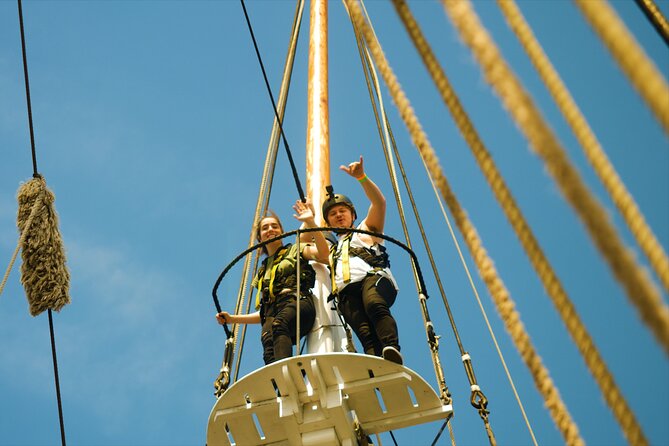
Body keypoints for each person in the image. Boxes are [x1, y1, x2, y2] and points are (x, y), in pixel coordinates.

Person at [216, 199, 329, 365]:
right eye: (265, 228)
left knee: (279, 324)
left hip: (297, 304)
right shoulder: (263, 271)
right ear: (260, 238)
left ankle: (288, 371)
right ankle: (281, 387)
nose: (270, 230)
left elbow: (324, 255)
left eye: (275, 226)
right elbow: (263, 312)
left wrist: (310, 221)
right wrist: (233, 319)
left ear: (282, 232)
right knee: (268, 341)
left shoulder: (295, 249)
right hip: (273, 313)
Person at [322, 156, 402, 365]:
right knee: (364, 333)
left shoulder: (366, 229)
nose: (338, 215)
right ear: (328, 222)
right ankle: (378, 364)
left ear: (352, 214)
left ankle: (391, 347)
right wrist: (308, 221)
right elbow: (307, 248)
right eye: (333, 214)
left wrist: (361, 178)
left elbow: (379, 202)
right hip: (347, 292)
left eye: (342, 211)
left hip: (373, 279)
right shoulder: (332, 249)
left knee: (374, 305)